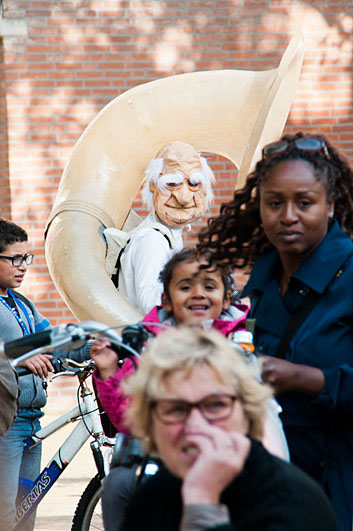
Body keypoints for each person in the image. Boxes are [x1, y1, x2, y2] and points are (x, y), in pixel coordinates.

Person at [197, 131, 353, 531]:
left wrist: (301, 378)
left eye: (304, 203)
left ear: (331, 205)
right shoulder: (262, 279)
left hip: (339, 489)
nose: (288, 216)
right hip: (270, 481)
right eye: (274, 203)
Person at [91, 247, 288, 531]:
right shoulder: (149, 345)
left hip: (230, 453)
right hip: (167, 455)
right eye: (185, 287)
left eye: (209, 286)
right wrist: (109, 371)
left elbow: (260, 409)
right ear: (166, 300)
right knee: (118, 484)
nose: (198, 293)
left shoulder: (243, 338)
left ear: (226, 297)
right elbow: (128, 417)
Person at [121, 326, 339, 530]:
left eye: (215, 405)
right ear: (151, 422)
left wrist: (202, 505)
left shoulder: (294, 504)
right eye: (175, 408)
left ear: (247, 413)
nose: (196, 425)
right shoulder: (150, 499)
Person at [0, 219, 92, 531]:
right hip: (5, 426)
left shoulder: (22, 305)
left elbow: (54, 345)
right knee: (4, 516)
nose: (22, 266)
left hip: (31, 421)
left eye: (26, 258)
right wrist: (22, 359)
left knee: (24, 518)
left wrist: (94, 347)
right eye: (14, 259)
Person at [108, 140, 215, 314]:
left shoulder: (167, 237)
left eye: (194, 184)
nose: (184, 197)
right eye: (172, 184)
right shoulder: (153, 239)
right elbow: (154, 305)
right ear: (154, 186)